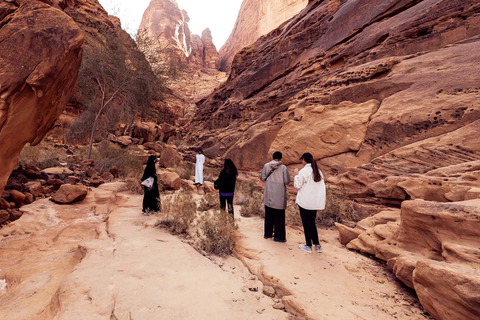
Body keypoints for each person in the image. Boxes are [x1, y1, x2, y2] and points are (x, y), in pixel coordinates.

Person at [294, 152, 326, 253]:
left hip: (305, 202)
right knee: (312, 222)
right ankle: (317, 245)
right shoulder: (318, 171)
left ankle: (308, 245)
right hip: (315, 202)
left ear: (304, 160)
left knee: (306, 223)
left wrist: (296, 175)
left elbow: (297, 186)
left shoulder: (304, 171)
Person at [260, 151, 290, 242]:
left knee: (268, 214)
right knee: (279, 216)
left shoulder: (266, 166)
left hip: (269, 193)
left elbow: (262, 178)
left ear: (273, 157)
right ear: (281, 158)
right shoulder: (283, 168)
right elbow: (287, 181)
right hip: (279, 195)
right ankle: (279, 237)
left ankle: (267, 234)